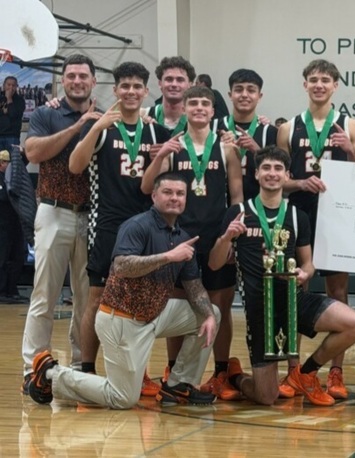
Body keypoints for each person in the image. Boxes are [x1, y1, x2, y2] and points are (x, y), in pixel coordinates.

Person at [26, 172, 220, 409]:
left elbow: (194, 287)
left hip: (154, 315)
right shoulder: (137, 225)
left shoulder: (182, 237)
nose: (174, 198)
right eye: (168, 192)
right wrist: (168, 257)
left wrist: (208, 315)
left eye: (180, 194)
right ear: (154, 196)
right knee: (123, 398)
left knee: (212, 314)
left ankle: (179, 384)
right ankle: (50, 373)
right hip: (121, 320)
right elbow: (122, 266)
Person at [208, 146, 355, 406]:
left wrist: (305, 273)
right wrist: (226, 238)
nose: (272, 173)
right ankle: (235, 377)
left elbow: (309, 264)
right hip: (261, 311)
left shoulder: (297, 216)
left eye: (278, 168)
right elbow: (214, 264)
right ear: (256, 174)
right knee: (266, 397)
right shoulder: (238, 212)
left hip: (294, 301)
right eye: (266, 168)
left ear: (287, 175)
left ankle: (305, 373)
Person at [68, 61, 172, 395]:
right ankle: (86, 369)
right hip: (108, 223)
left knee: (141, 300)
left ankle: (138, 372)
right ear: (114, 90)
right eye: (124, 86)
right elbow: (75, 166)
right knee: (97, 297)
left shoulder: (156, 132)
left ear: (146, 92)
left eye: (136, 86)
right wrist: (96, 127)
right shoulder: (101, 126)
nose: (130, 91)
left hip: (146, 225)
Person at [142, 85, 243, 401]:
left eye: (205, 103)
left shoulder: (227, 148)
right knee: (179, 304)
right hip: (180, 238)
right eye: (193, 103)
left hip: (216, 238)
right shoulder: (174, 147)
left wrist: (232, 239)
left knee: (220, 306)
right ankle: (173, 371)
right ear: (184, 109)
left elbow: (237, 198)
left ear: (213, 111)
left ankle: (221, 372)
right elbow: (149, 188)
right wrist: (161, 155)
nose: (199, 107)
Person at [277, 59, 355, 400]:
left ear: (335, 85)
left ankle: (335, 372)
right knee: (296, 291)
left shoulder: (351, 125)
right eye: (313, 79)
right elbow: (278, 180)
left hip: (338, 217)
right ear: (305, 85)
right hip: (300, 215)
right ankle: (293, 369)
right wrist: (300, 182)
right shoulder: (288, 128)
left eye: (325, 80)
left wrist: (351, 150)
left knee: (338, 290)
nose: (319, 85)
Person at [21, 54, 100, 391]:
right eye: (71, 76)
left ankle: (82, 365)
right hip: (54, 211)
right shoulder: (46, 114)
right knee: (45, 294)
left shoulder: (104, 118)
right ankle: (33, 368)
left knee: (86, 299)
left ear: (94, 81)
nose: (77, 81)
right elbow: (32, 153)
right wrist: (77, 127)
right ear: (63, 81)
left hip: (91, 217)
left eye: (83, 76)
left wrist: (94, 122)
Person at [219, 69, 278, 200]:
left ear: (259, 96)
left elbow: (278, 172)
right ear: (230, 95)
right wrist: (219, 148)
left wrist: (257, 150)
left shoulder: (269, 131)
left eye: (251, 90)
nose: (244, 95)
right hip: (220, 203)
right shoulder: (214, 127)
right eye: (238, 90)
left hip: (258, 202)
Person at [0, 149, 27, 302]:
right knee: (2, 258)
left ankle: (12, 289)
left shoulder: (13, 178)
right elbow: (5, 197)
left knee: (18, 256)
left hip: (16, 224)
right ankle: (2, 291)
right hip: (2, 226)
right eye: (7, 163)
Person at [146, 56, 194, 135]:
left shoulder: (198, 119)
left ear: (190, 85)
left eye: (180, 80)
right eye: (169, 79)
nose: (174, 84)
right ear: (160, 84)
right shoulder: (145, 116)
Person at [0, 76, 25, 152]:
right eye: (8, 84)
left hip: (12, 136)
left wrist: (9, 99)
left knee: (13, 159)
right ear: (4, 85)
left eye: (13, 85)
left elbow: (13, 115)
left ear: (16, 87)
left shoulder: (20, 100)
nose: (11, 87)